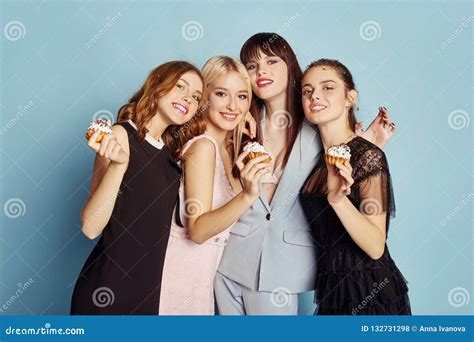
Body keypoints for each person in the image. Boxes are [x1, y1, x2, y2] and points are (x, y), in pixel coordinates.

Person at [71, 61, 204, 314]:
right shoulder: (120, 135)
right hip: (106, 291)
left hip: (148, 294)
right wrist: (118, 166)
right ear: (157, 85)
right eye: (180, 86)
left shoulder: (172, 156)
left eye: (196, 97)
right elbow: (91, 227)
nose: (188, 98)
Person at [299, 58, 410, 315]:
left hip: (370, 291)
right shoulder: (320, 160)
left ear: (350, 98)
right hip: (333, 289)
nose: (315, 95)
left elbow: (374, 246)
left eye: (328, 87)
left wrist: (338, 201)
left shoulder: (369, 156)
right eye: (307, 91)